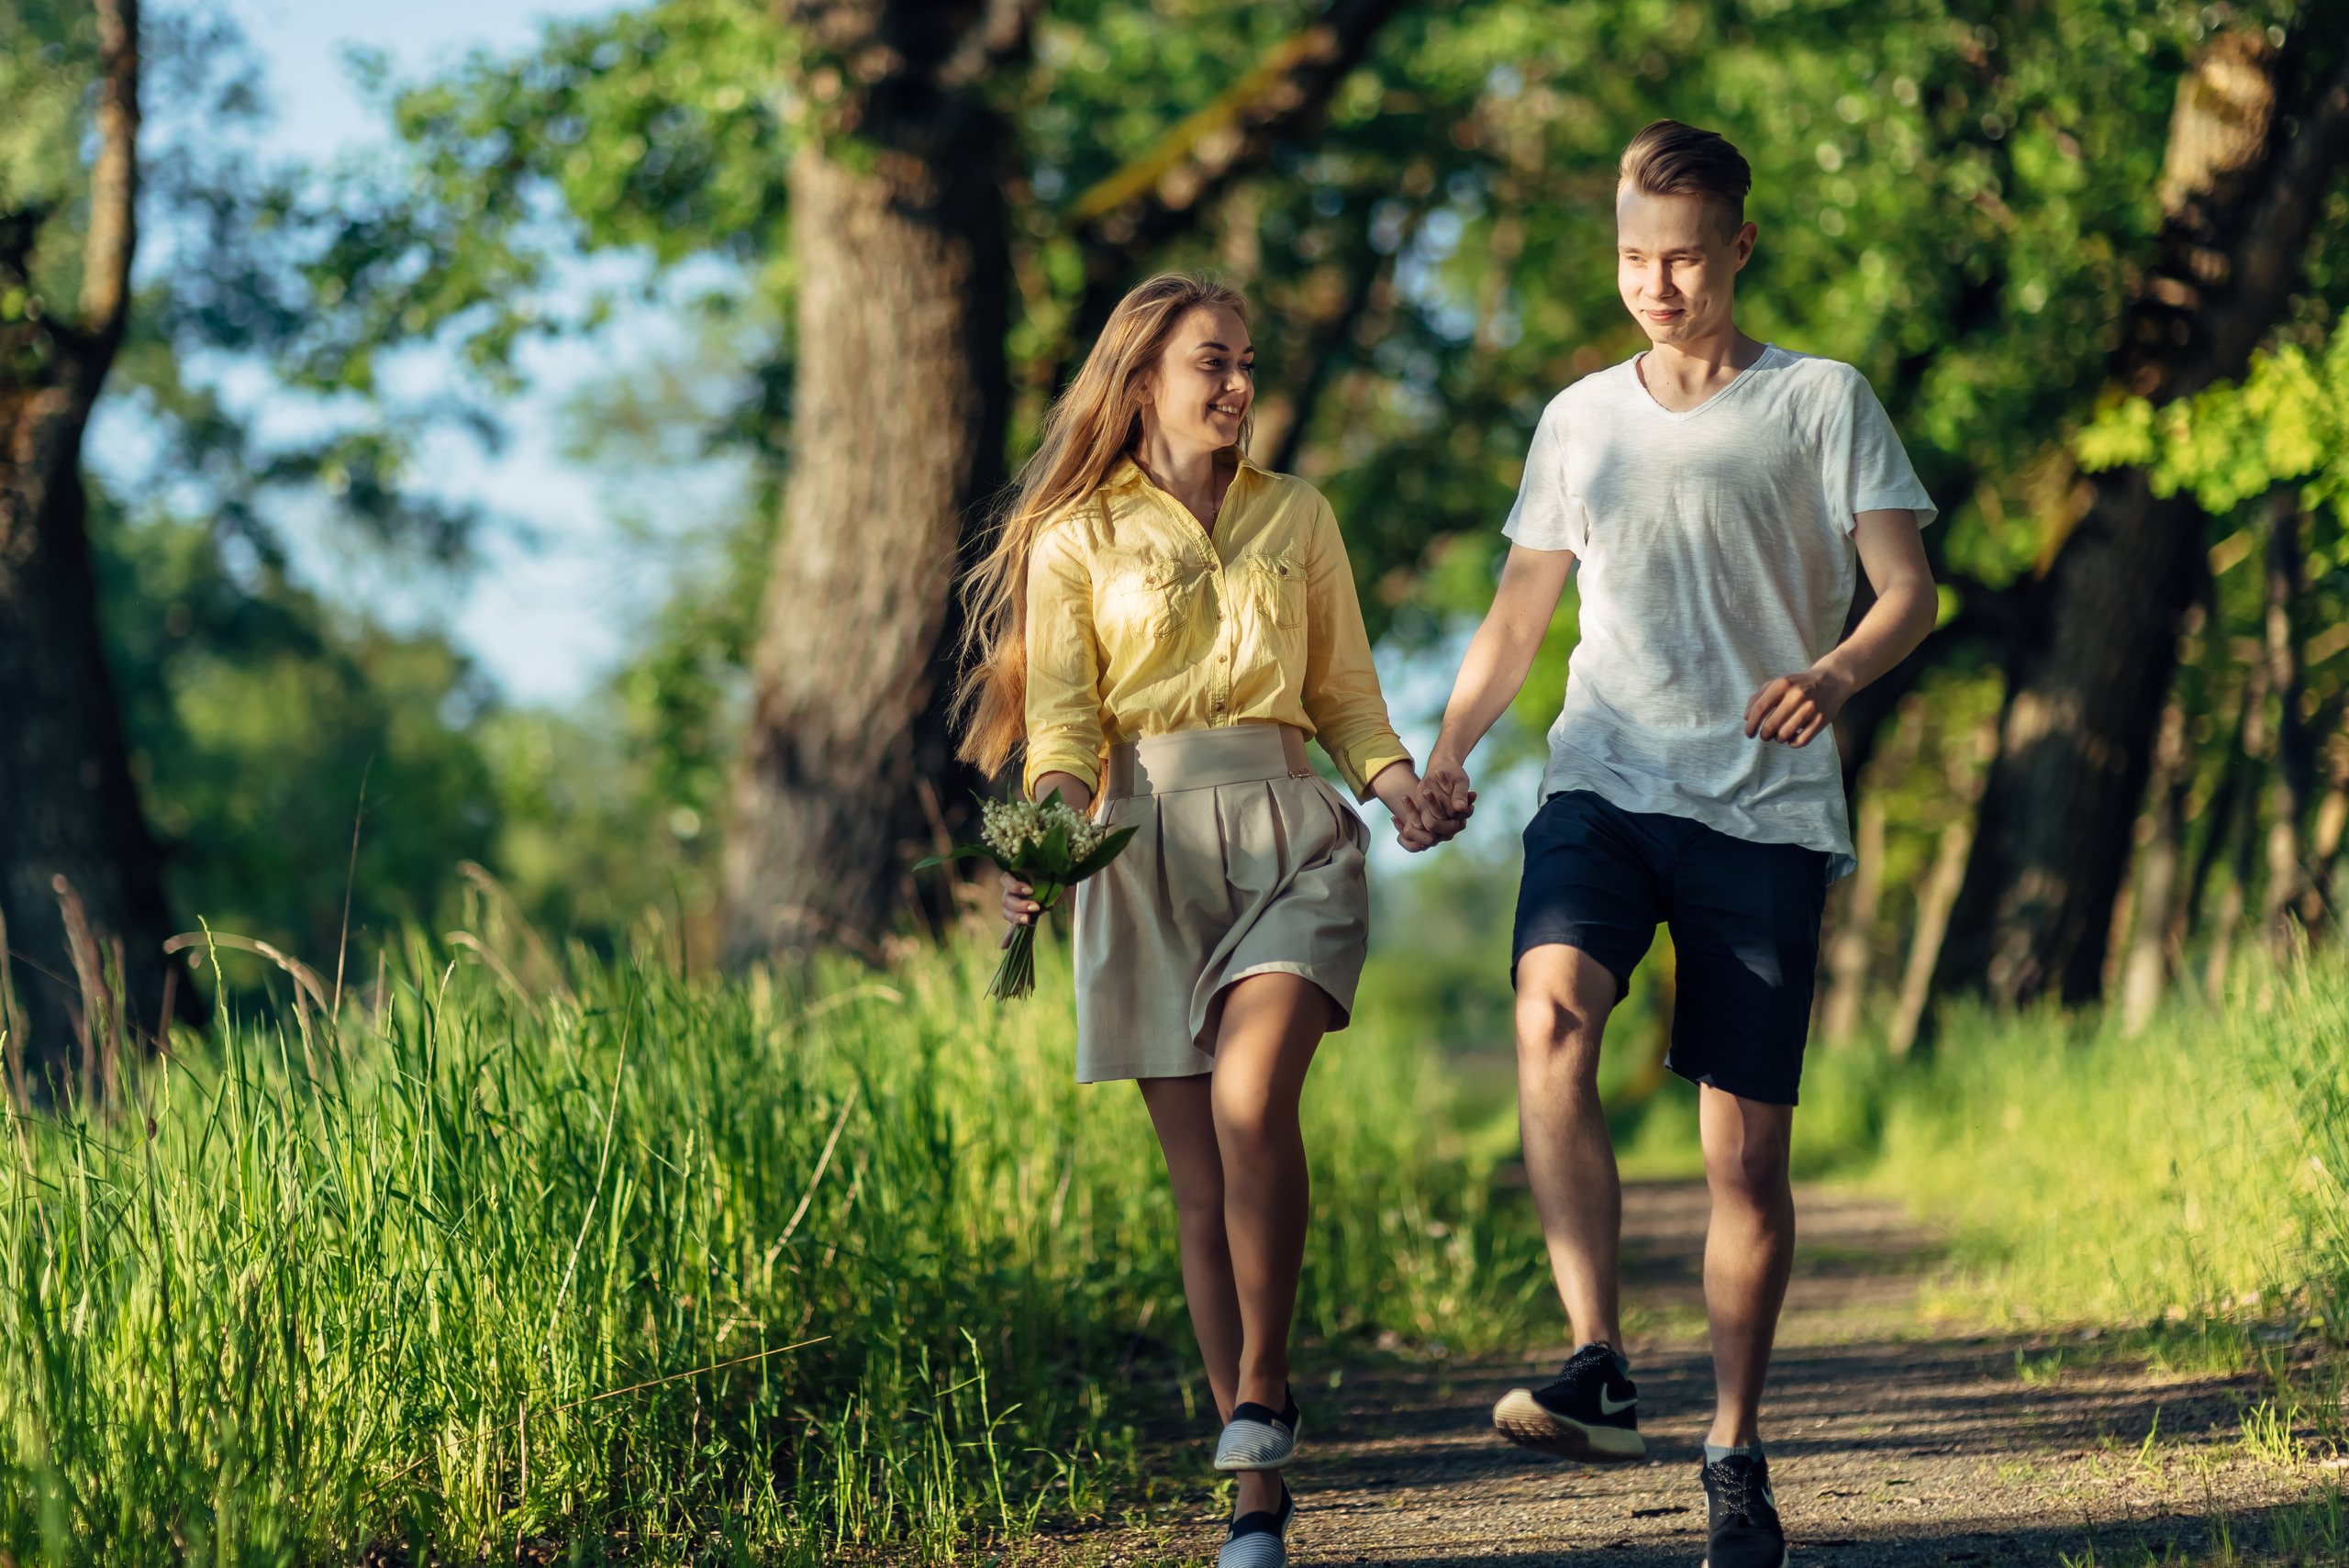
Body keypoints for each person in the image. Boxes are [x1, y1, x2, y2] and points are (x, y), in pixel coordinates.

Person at [1410, 121, 1939, 1568]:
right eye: (1636, 256)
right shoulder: (1581, 417)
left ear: (1741, 248)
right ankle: (1597, 1356)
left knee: (1741, 1161)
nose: (1656, 283)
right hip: (1604, 777)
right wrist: (1451, 750)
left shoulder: (1823, 402)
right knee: (1550, 1006)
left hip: (1761, 809)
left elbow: (1909, 590)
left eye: (1685, 258)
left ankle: (1735, 1447)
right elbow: (1522, 611)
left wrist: (1831, 675)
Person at [955, 272, 1455, 1568]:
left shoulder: (1300, 513)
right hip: (1143, 854)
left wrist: (1396, 788)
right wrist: (1047, 836)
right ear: (1142, 382)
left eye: (1245, 361)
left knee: (1251, 1103)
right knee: (1197, 1182)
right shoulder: (1074, 538)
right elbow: (1066, 729)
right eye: (1211, 363)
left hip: (1290, 835)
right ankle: (1254, 1501)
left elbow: (1345, 692)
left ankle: (1261, 1390)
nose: (1237, 384)